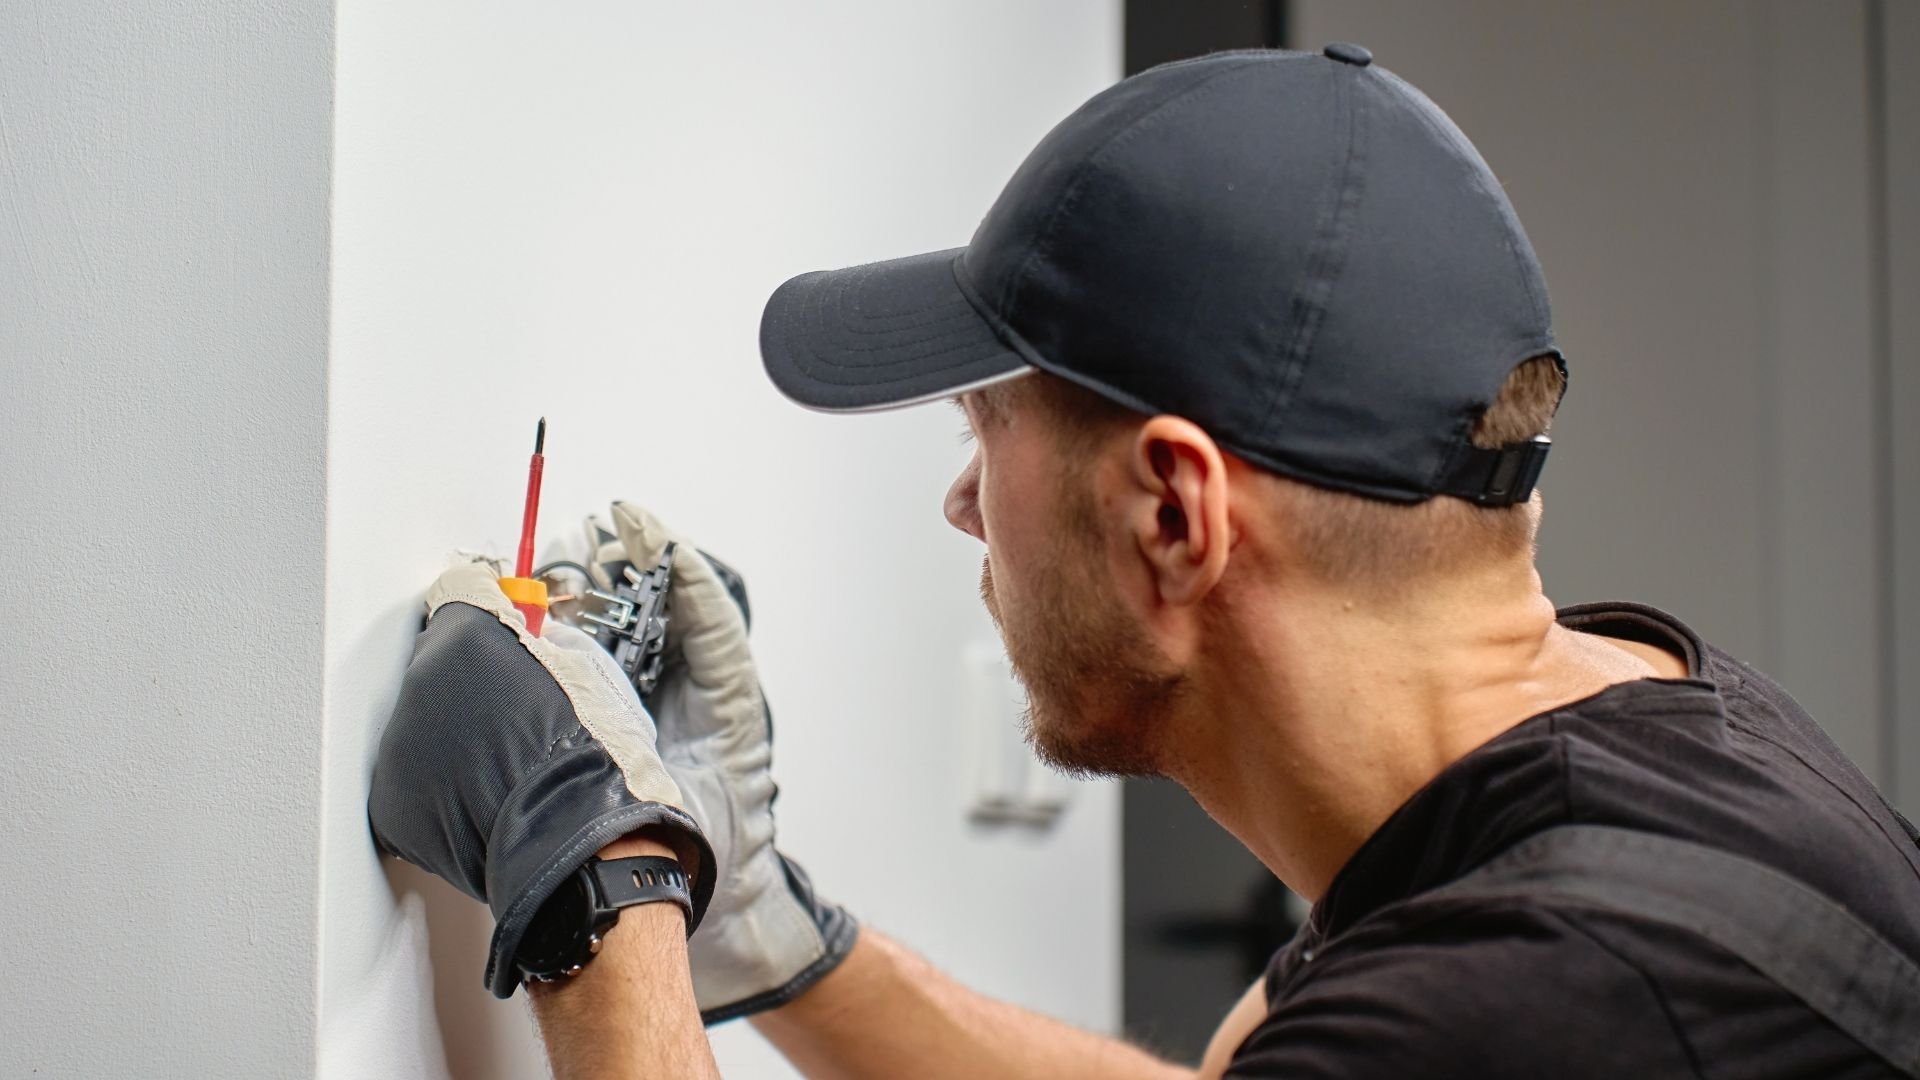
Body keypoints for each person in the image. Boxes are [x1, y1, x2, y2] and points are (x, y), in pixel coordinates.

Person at [368, 45, 1920, 1079]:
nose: (965, 508)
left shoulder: (1538, 1008)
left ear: (1174, 514)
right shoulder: (1640, 738)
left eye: (987, 426)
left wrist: (600, 897)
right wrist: (782, 942)